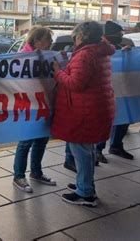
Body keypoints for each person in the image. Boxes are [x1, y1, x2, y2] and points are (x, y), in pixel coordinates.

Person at [52, 21, 115, 207]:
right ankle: (85, 185)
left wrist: (57, 72)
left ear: (83, 36)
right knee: (86, 151)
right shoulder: (97, 50)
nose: (75, 38)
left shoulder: (86, 54)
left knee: (81, 152)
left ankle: (85, 193)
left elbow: (75, 83)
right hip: (94, 107)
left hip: (84, 110)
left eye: (76, 35)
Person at [13, 26, 57, 193]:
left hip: (45, 104)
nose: (51, 42)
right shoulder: (23, 56)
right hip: (29, 105)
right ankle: (18, 176)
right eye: (48, 39)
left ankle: (36, 172)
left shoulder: (47, 56)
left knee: (41, 139)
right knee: (26, 141)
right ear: (37, 41)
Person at [95, 21, 132, 163]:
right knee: (104, 121)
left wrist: (127, 54)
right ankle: (98, 149)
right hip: (105, 90)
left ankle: (116, 145)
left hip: (119, 90)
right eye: (118, 35)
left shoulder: (118, 48)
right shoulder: (98, 48)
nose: (120, 37)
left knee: (123, 119)